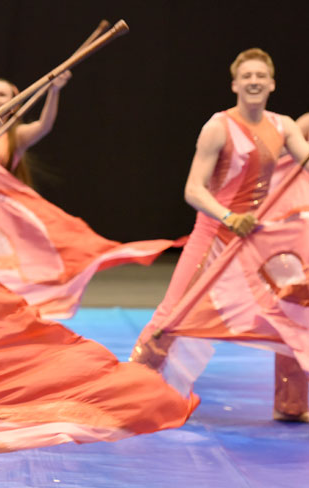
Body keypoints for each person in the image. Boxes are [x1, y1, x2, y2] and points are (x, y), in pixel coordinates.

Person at [131, 48, 309, 421]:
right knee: (172, 315)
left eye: (261, 75)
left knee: (293, 308)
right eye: (247, 76)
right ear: (235, 84)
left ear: (272, 83)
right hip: (214, 236)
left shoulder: (283, 125)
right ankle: (135, 396)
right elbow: (193, 190)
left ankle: (293, 404)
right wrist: (229, 217)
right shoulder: (218, 127)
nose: (255, 81)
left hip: (254, 244)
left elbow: (304, 157)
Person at [0, 75, 177, 318]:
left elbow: (44, 126)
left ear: (15, 102)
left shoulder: (14, 135)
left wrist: (54, 91)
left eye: (1, 94)